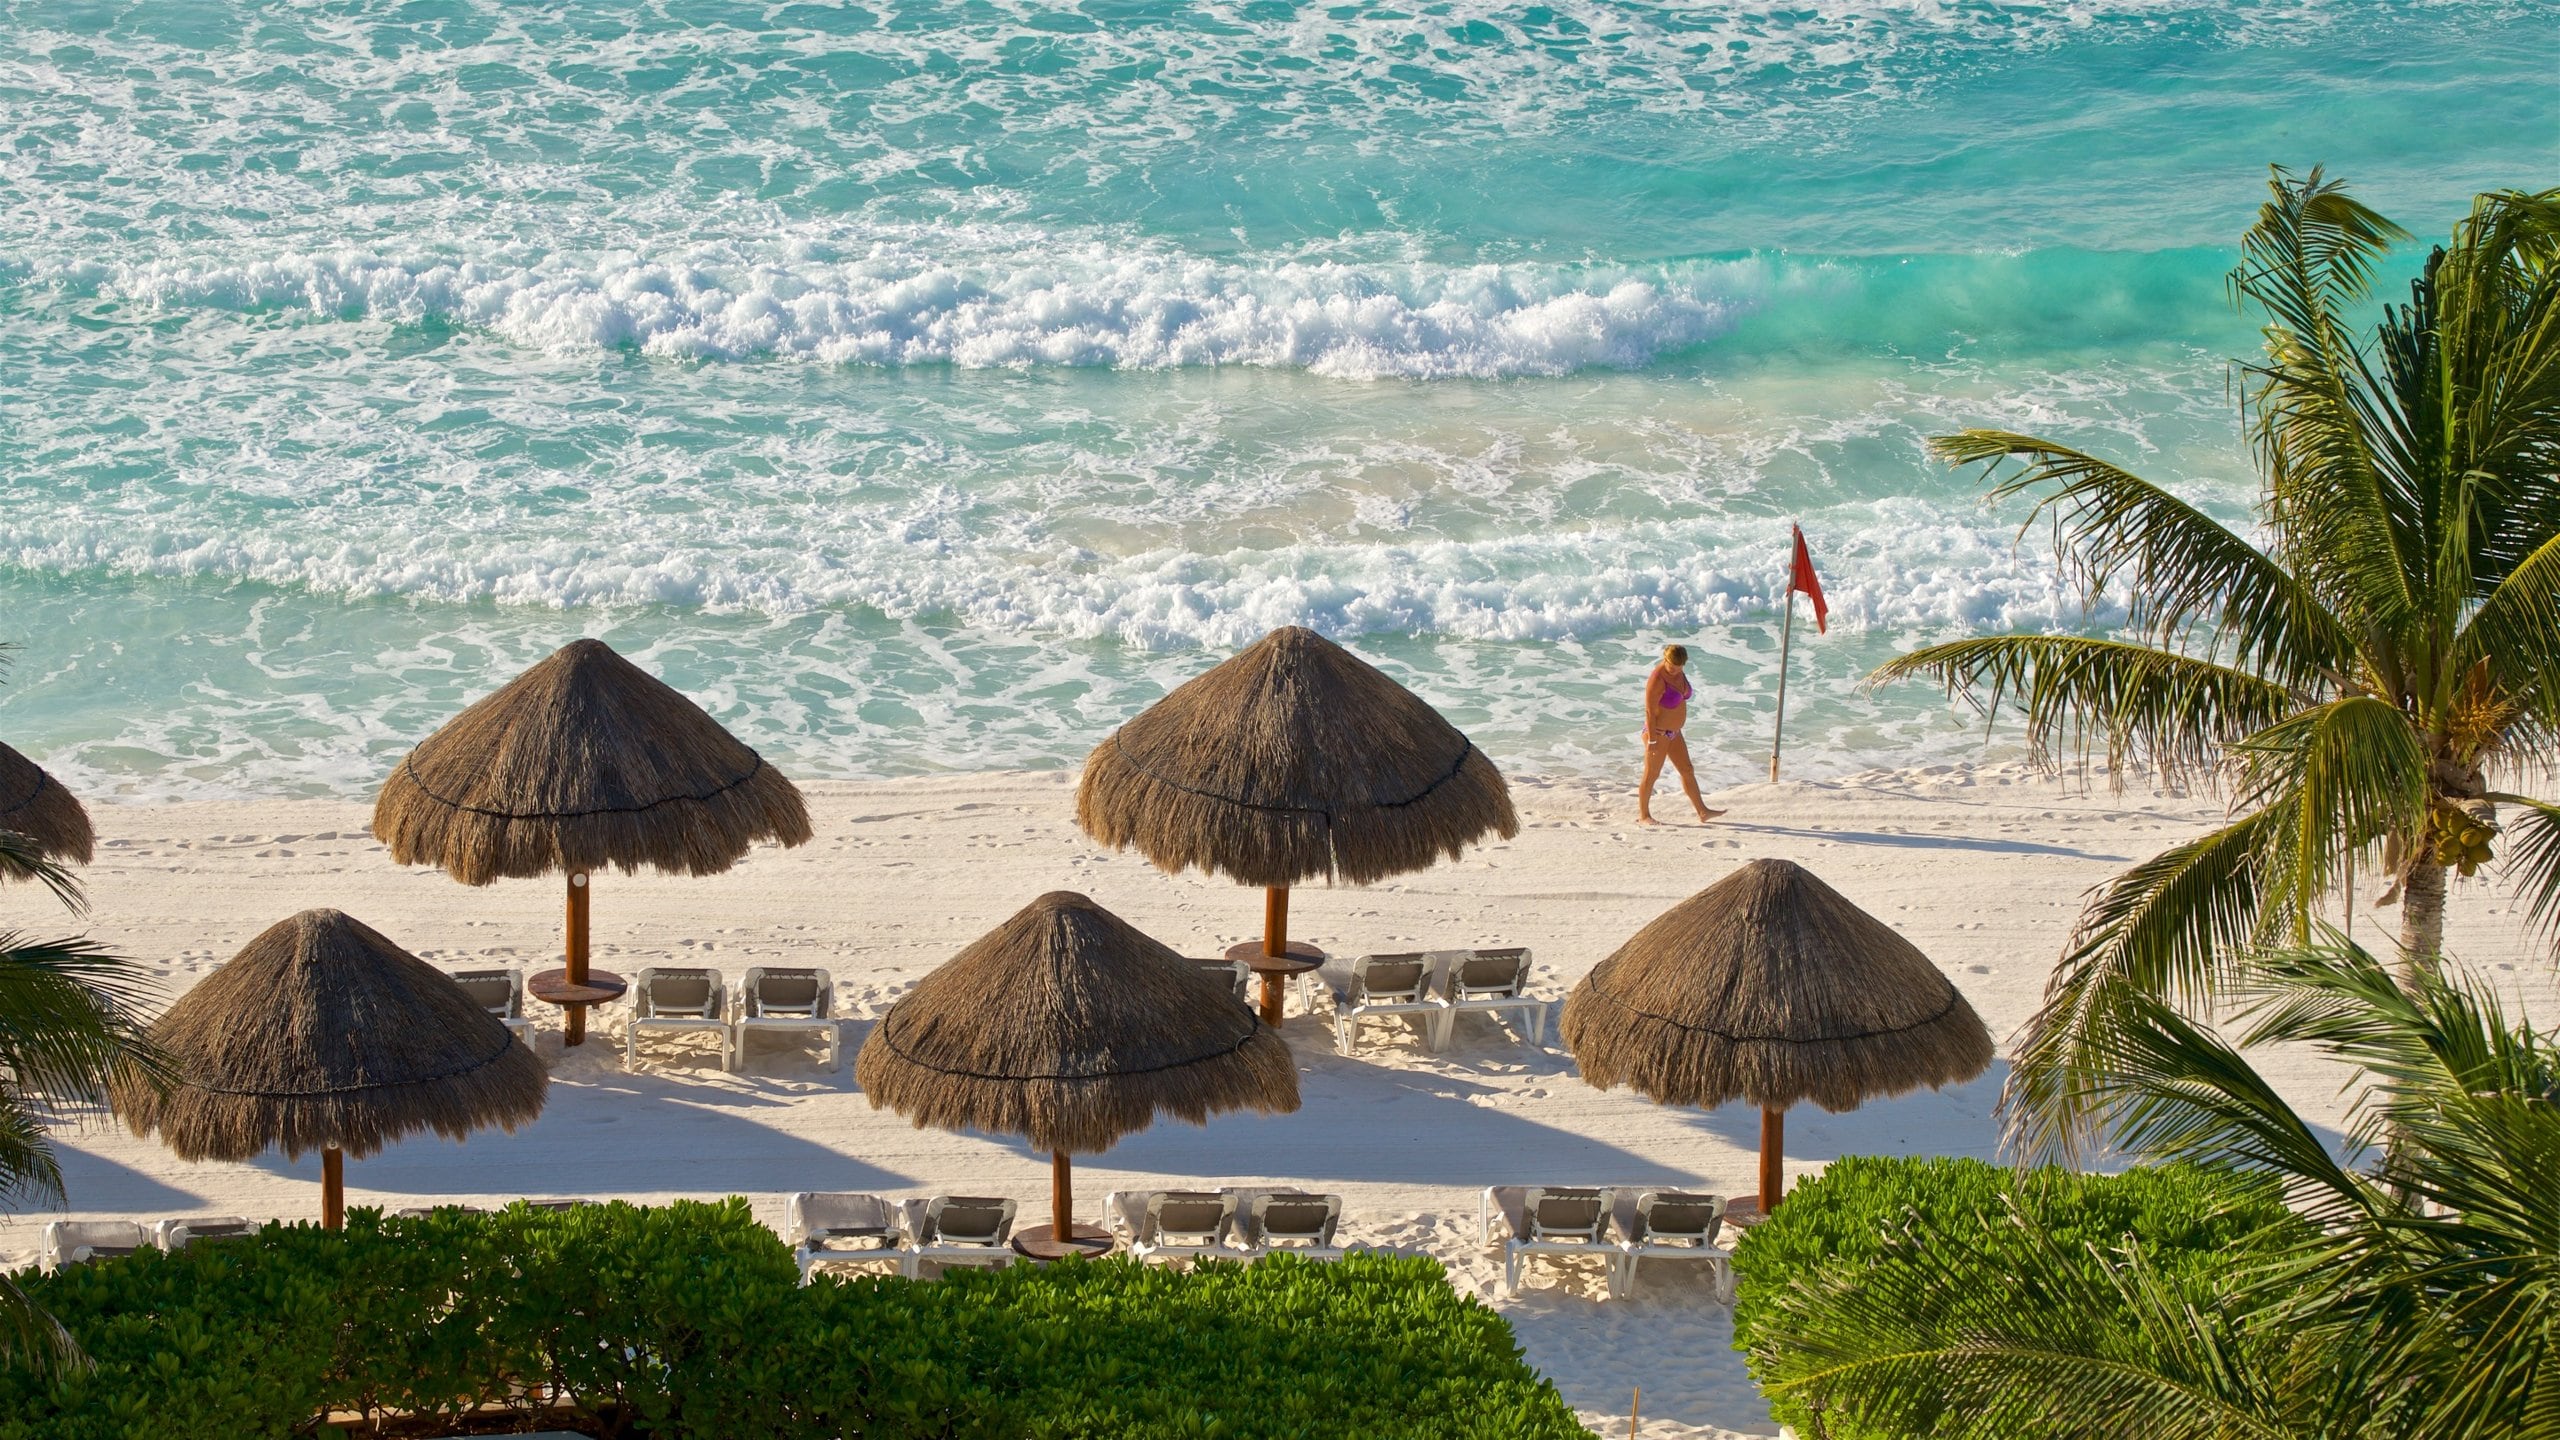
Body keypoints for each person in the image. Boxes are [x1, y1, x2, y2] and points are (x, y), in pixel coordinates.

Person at [1639, 643, 1723, 825]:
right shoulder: (1657, 679)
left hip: (1674, 733)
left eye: (1679, 668)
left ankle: (1703, 811)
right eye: (1671, 667)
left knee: (1687, 770)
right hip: (1658, 734)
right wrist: (1652, 740)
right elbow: (1649, 712)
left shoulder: (1678, 673)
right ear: (1665, 659)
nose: (1675, 671)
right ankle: (1644, 816)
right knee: (1651, 774)